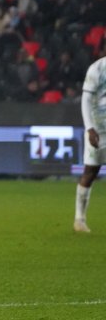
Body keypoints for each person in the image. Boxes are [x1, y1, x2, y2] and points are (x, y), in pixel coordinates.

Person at [74, 55, 106, 233]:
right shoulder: (97, 68)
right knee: (90, 172)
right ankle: (79, 219)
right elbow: (86, 100)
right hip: (99, 129)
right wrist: (90, 129)